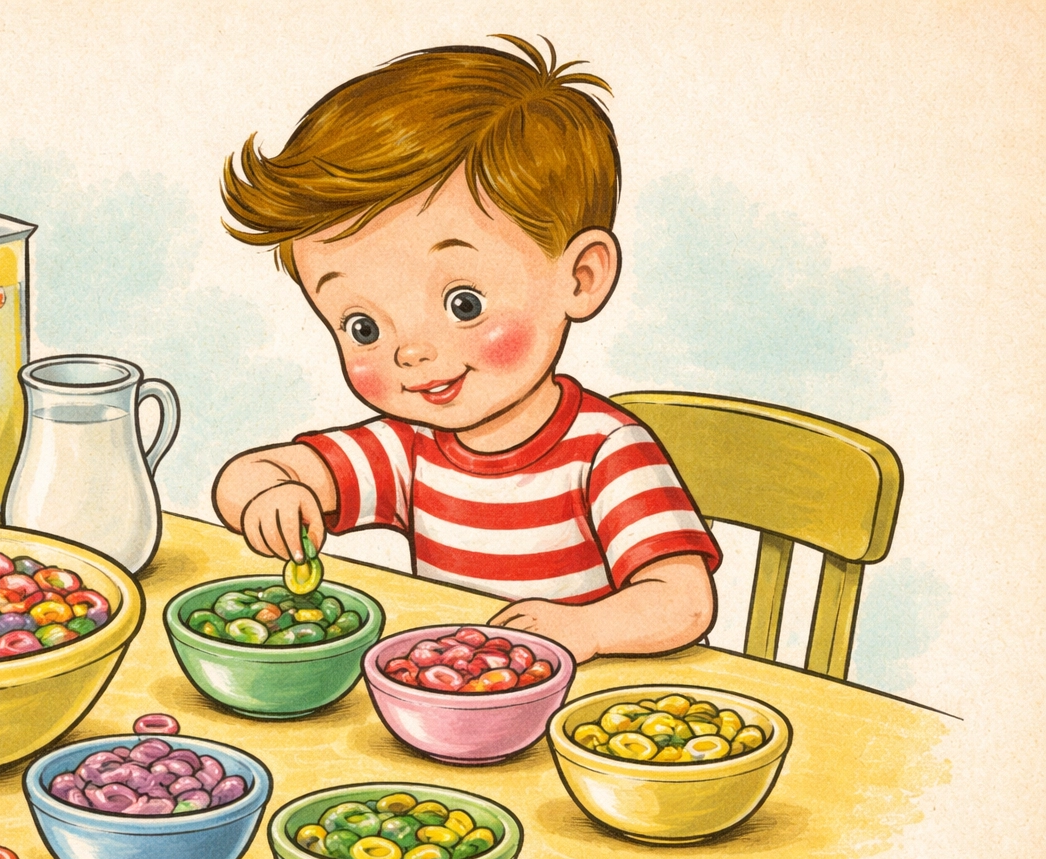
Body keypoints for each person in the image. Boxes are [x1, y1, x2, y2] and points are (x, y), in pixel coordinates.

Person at [213, 35, 720, 663]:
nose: (412, 354)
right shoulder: (409, 446)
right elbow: (248, 475)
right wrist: (270, 497)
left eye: (464, 305)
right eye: (364, 327)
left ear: (580, 277)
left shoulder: (605, 451)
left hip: (580, 713)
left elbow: (684, 601)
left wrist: (584, 630)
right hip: (454, 700)